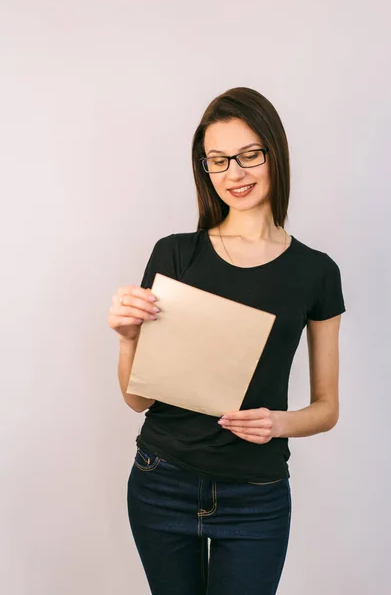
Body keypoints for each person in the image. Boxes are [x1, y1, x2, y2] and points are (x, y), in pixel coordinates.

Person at [108, 87, 346, 595]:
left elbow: (327, 408)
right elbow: (138, 398)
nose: (234, 174)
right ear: (205, 169)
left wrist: (278, 422)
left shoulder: (317, 272)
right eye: (218, 161)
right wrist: (128, 340)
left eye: (248, 155)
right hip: (161, 479)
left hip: (255, 494)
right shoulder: (175, 254)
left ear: (274, 153)